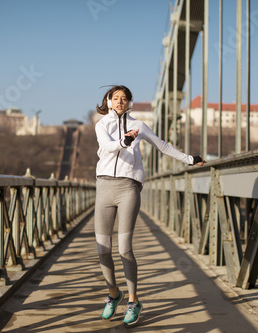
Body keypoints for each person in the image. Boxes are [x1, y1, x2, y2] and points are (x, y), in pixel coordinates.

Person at [94, 85, 205, 327]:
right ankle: (114, 294)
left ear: (129, 102)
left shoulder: (139, 126)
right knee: (103, 249)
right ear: (109, 101)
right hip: (104, 188)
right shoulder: (101, 125)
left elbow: (162, 145)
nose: (120, 102)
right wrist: (124, 141)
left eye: (124, 98)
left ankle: (133, 302)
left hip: (128, 188)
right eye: (116, 98)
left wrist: (190, 159)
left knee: (124, 249)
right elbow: (108, 146)